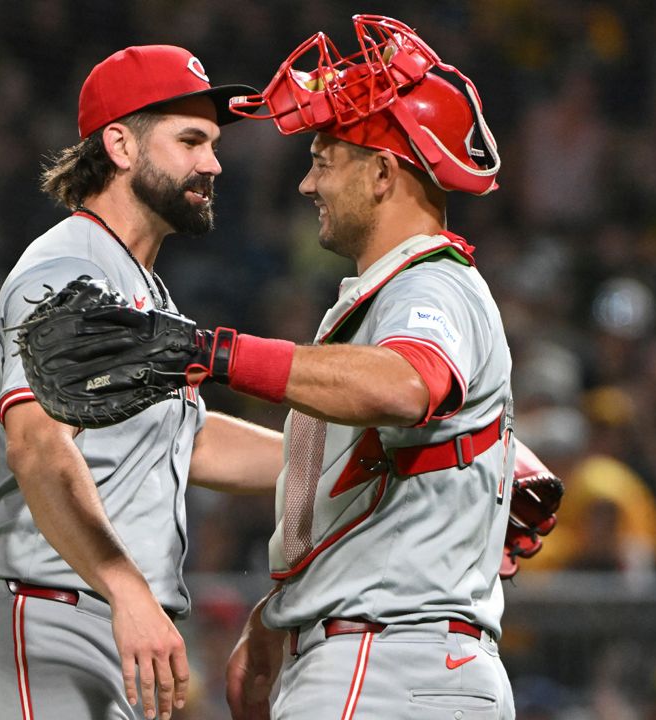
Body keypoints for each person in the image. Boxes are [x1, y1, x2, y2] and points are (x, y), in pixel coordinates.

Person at [0, 45, 282, 720]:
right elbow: (37, 446)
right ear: (120, 144)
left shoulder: (143, 289)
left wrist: (345, 458)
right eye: (189, 141)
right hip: (42, 621)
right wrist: (128, 591)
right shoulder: (71, 268)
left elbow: (191, 442)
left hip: (96, 627)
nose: (213, 164)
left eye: (212, 144)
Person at [216, 16, 523, 719]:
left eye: (324, 160)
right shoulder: (408, 291)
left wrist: (221, 354)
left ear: (383, 173)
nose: (307, 185)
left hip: (383, 664)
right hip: (413, 664)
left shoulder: (428, 283)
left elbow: (406, 383)